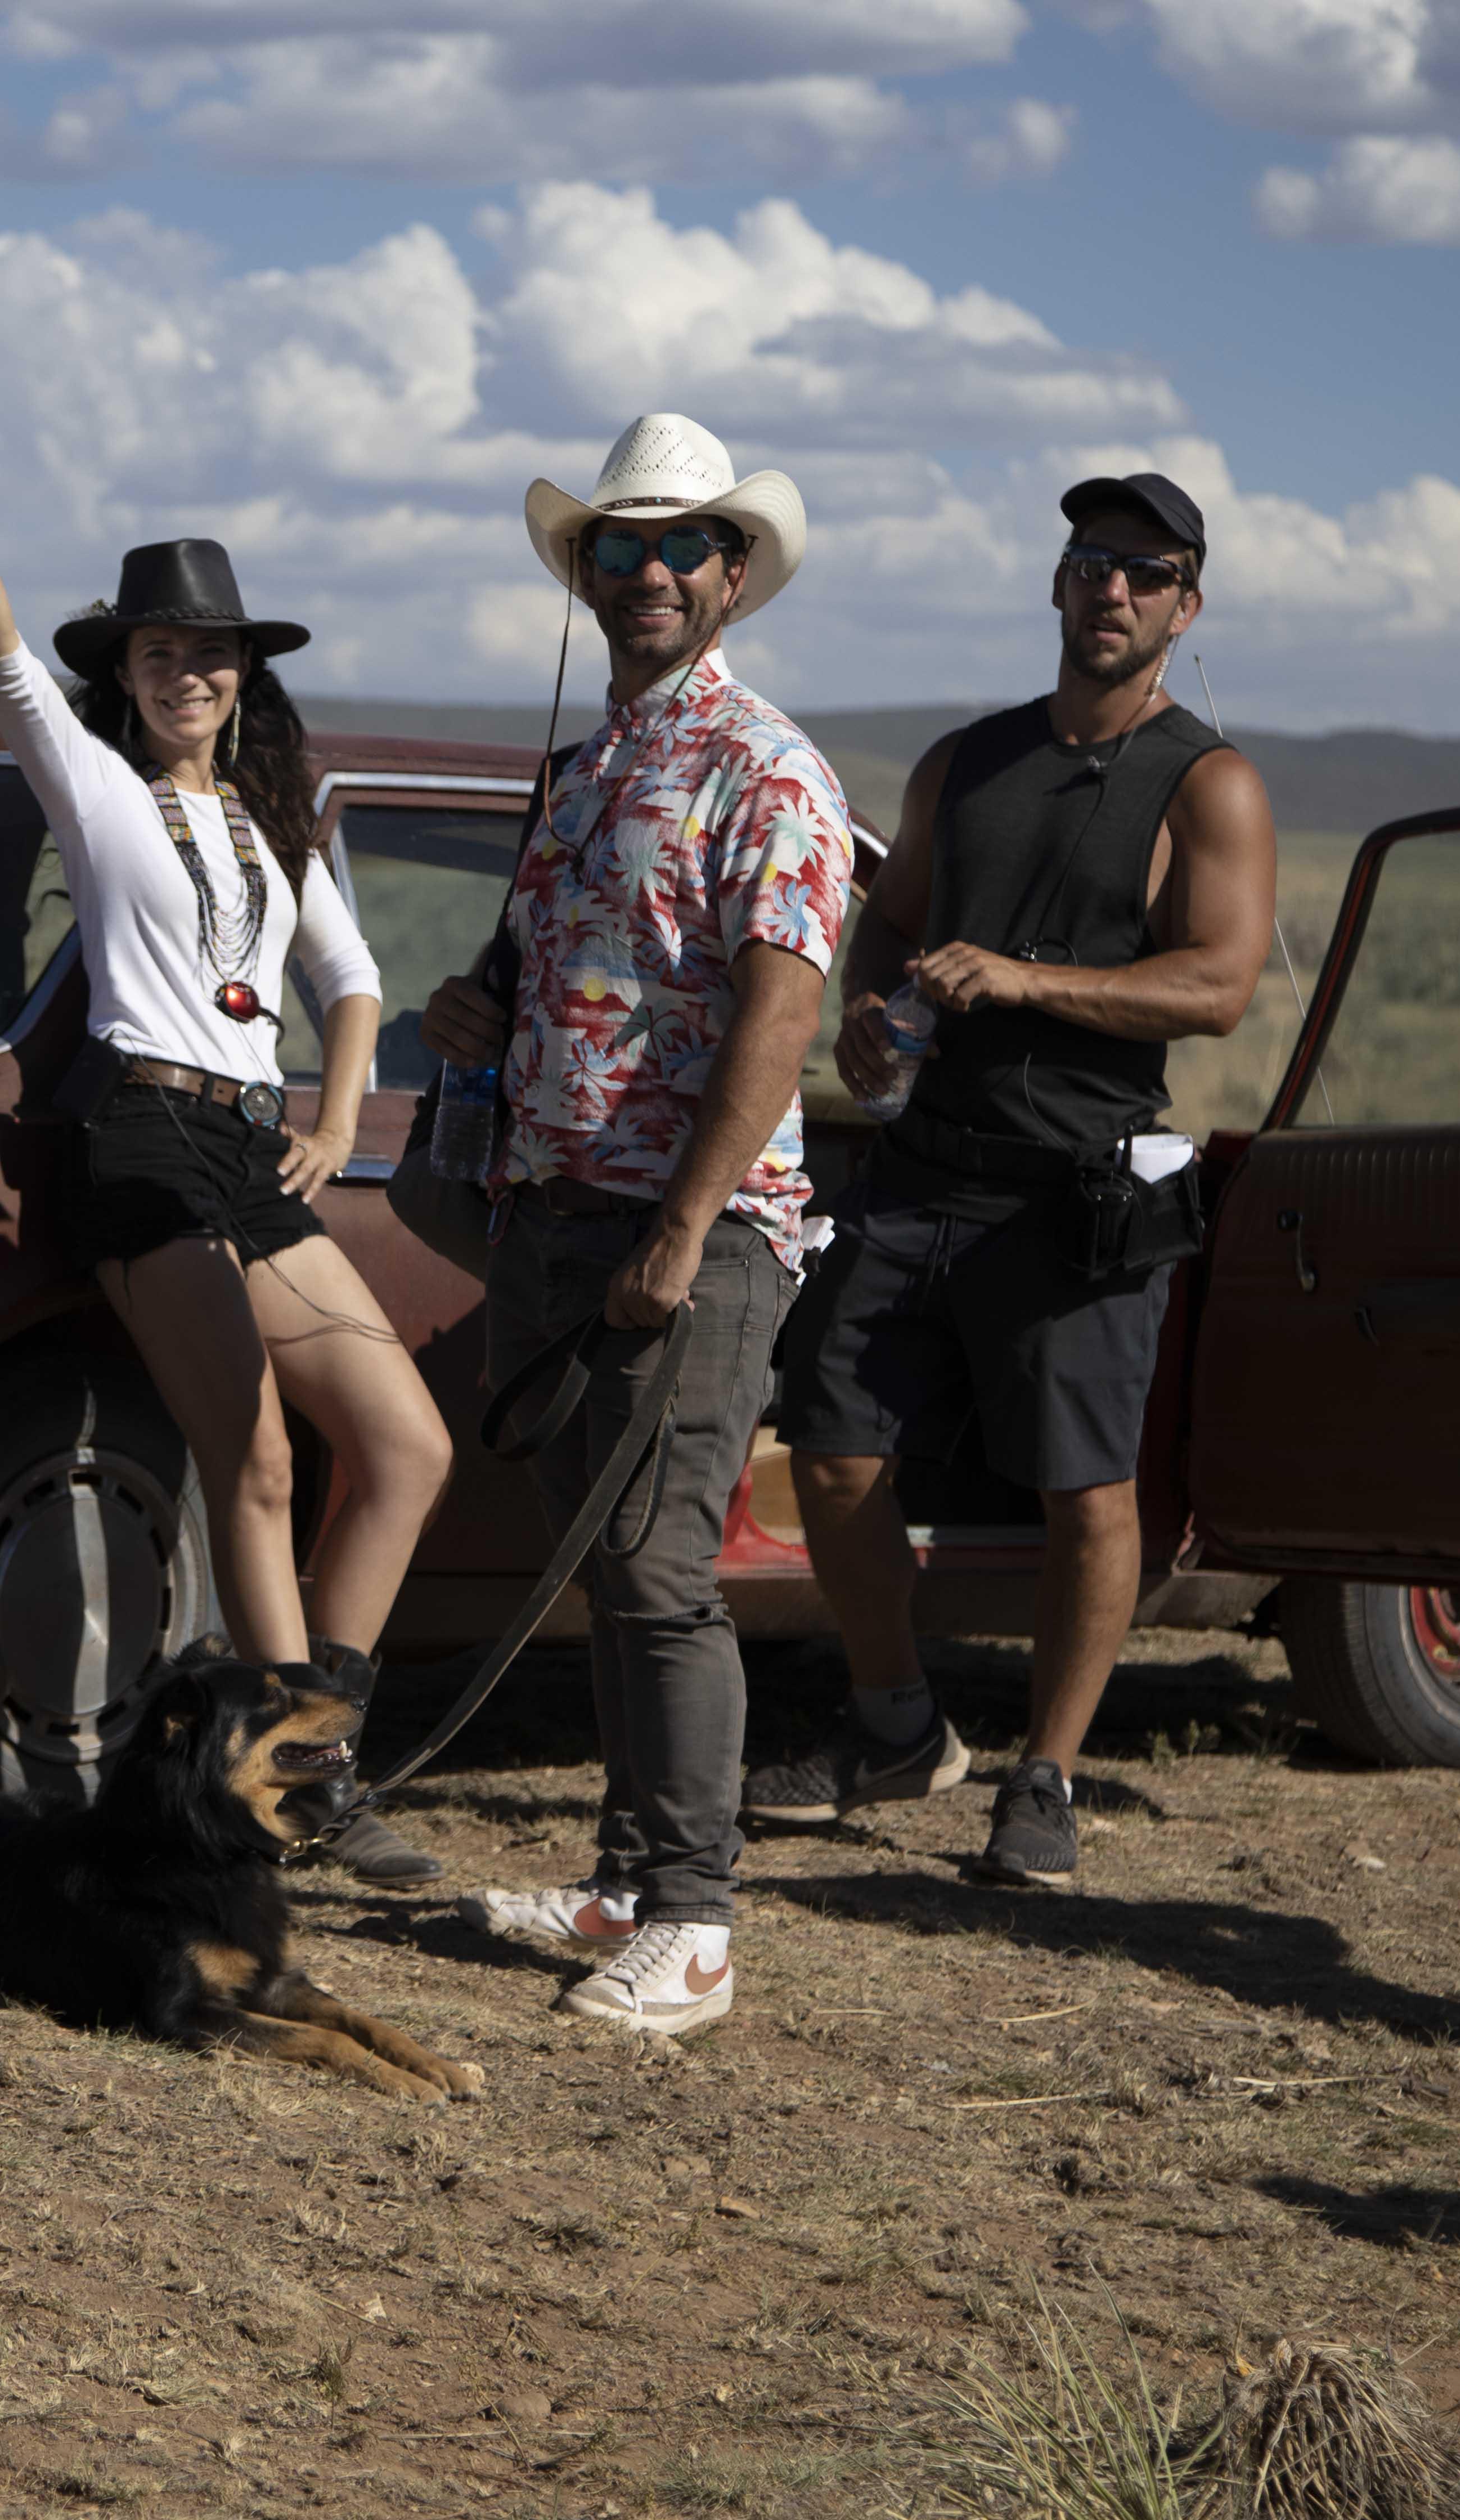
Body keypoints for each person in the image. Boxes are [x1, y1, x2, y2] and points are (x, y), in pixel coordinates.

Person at [0, 374, 456, 1886]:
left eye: (207, 655)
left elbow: (350, 982)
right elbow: (8, 671)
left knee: (406, 1444)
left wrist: (338, 1121)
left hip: (252, 1150)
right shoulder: (99, 793)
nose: (185, 676)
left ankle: (306, 1735)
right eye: (160, 655)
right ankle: (313, 1788)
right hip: (139, 1141)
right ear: (132, 675)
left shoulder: (276, 825)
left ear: (239, 674)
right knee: (260, 1461)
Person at [752, 470, 1277, 1888]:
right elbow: (895, 922)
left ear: (1186, 605)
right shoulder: (964, 762)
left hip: (1077, 1189)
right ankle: (896, 1723)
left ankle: (1043, 1776)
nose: (1113, 587)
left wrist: (1025, 980)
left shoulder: (1207, 782)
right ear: (1056, 583)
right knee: (833, 1437)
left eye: (1147, 572)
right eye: (1091, 560)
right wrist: (868, 1018)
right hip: (926, 1166)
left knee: (1086, 1491)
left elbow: (1221, 985)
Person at [427, 413, 855, 2037]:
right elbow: (586, 975)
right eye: (624, 546)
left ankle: (694, 1921)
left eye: (685, 545)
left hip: (695, 1227)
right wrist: (484, 1011)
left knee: (663, 1565)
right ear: (587, 573)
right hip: (556, 1212)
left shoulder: (770, 769)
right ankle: (628, 1872)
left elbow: (778, 1013)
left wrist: (684, 1225)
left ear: (734, 574)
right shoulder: (589, 765)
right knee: (606, 1555)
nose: (654, 571)